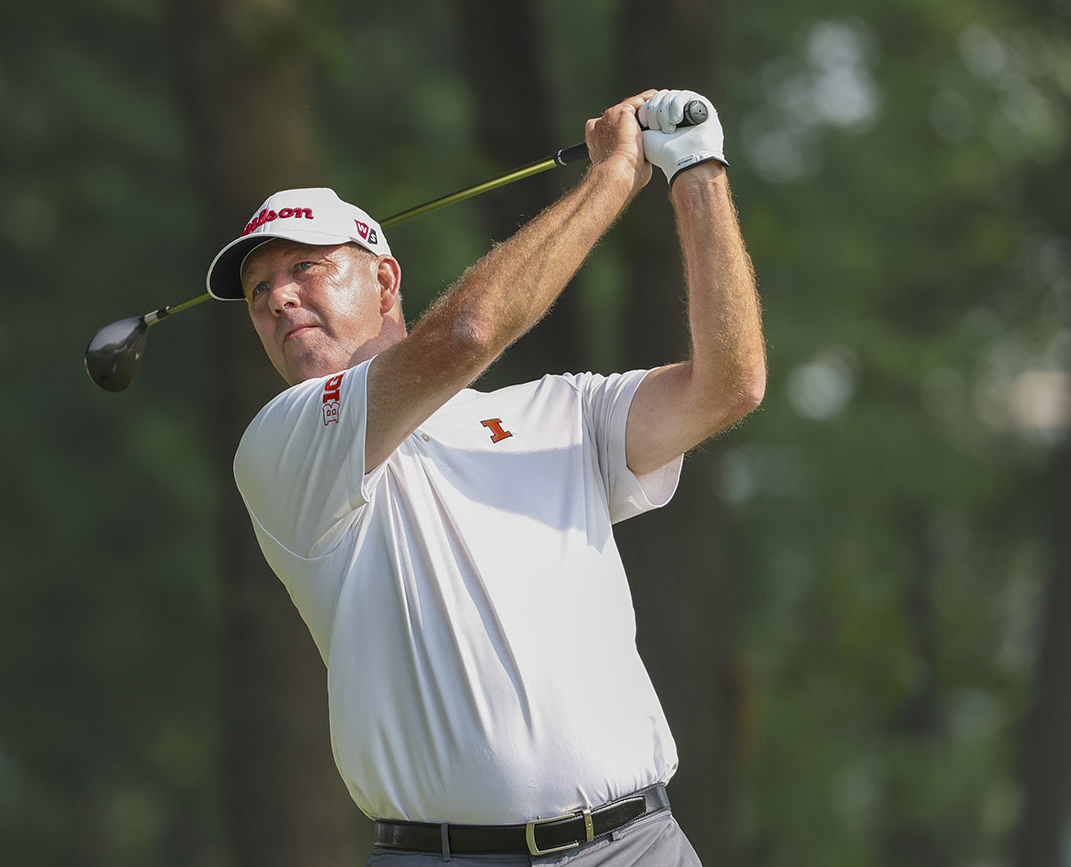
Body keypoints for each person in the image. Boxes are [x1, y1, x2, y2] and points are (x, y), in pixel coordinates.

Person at [204, 89, 764, 866]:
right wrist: (613, 179)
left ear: (385, 283)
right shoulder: (284, 444)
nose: (278, 298)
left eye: (306, 267)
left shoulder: (559, 409)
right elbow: (465, 333)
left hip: (639, 846)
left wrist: (697, 172)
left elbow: (730, 383)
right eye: (260, 291)